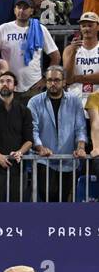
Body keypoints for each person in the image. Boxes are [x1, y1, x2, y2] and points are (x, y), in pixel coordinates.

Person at [29, 65, 90, 201]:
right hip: (44, 160)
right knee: (47, 197)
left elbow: (80, 128)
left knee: (62, 201)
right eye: (49, 80)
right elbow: (33, 130)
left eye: (57, 80)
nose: (53, 83)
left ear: (64, 82)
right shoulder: (34, 102)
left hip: (68, 161)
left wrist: (80, 148)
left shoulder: (75, 101)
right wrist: (40, 148)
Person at [0, 69, 35, 202]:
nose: (5, 84)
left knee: (16, 205)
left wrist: (20, 152)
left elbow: (29, 139)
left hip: (18, 167)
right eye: (1, 81)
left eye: (8, 81)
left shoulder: (24, 111)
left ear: (15, 85)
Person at [0, 0, 61, 95]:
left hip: (34, 86)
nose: (21, 10)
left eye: (25, 8)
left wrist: (45, 79)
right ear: (14, 10)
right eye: (19, 7)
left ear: (32, 11)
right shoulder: (3, 29)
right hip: (9, 86)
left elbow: (56, 56)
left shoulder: (40, 29)